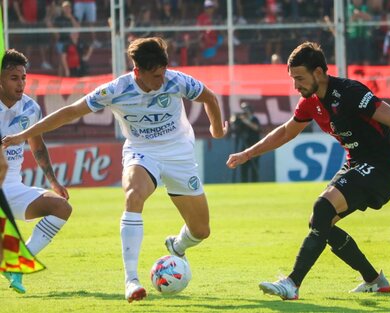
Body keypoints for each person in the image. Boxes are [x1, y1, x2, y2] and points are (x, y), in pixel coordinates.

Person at [226, 42, 390, 300]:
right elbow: (285, 132)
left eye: (300, 78)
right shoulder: (309, 102)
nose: (296, 86)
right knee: (319, 222)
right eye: (293, 79)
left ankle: (292, 283)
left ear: (318, 73)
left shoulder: (350, 92)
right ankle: (374, 280)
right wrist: (248, 153)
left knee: (322, 208)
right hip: (357, 164)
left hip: (384, 166)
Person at [3, 37, 228, 303]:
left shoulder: (176, 80)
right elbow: (70, 112)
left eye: (163, 73)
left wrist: (216, 131)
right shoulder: (116, 90)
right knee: (133, 195)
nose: (160, 81)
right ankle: (131, 281)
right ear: (137, 72)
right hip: (142, 152)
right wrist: (24, 134)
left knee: (201, 230)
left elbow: (209, 98)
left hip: (179, 155)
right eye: (155, 76)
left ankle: (177, 245)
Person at [0, 49, 72, 294]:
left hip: (11, 187)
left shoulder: (30, 108)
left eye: (23, 78)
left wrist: (53, 182)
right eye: (13, 78)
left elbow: (38, 146)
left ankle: (17, 265)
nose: (20, 84)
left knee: (62, 207)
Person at [229, 102, 261, 182]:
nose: (245, 111)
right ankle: (244, 183)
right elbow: (233, 124)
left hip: (254, 145)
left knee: (254, 167)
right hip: (244, 146)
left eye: (246, 109)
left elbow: (257, 128)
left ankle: (255, 183)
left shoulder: (254, 119)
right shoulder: (242, 120)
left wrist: (246, 121)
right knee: (243, 167)